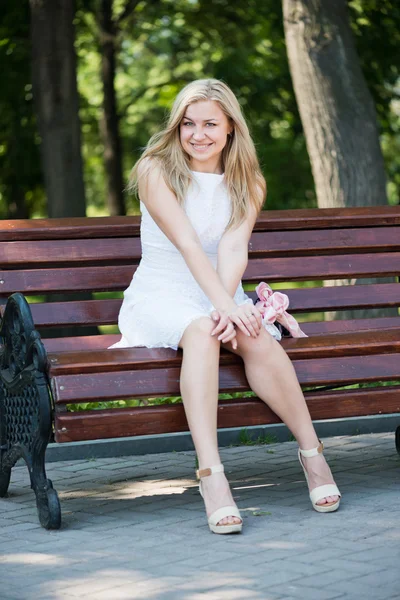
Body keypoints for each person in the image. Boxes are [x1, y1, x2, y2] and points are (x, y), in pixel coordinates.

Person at [109, 78, 341, 534]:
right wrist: (220, 309)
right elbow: (190, 246)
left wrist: (228, 305)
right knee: (200, 330)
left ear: (231, 127)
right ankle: (212, 476)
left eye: (210, 124)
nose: (198, 134)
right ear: (176, 127)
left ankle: (313, 455)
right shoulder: (156, 169)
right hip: (161, 293)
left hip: (219, 287)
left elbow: (234, 248)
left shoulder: (248, 179)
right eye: (188, 123)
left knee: (253, 334)